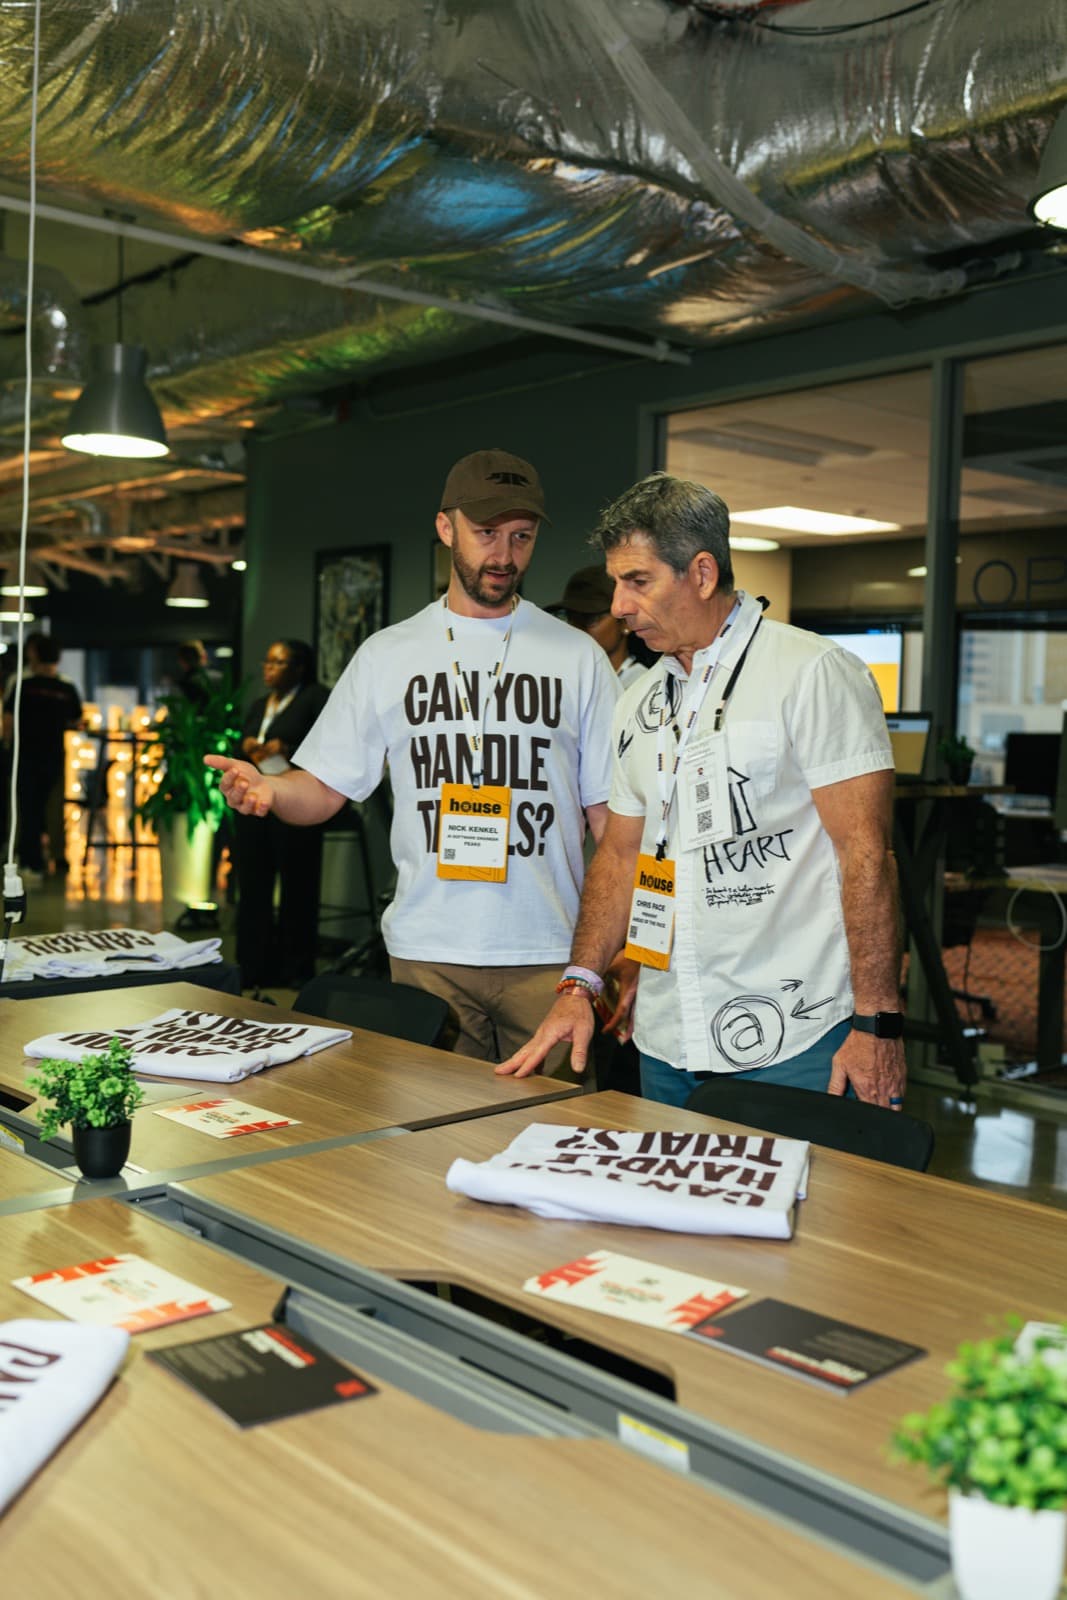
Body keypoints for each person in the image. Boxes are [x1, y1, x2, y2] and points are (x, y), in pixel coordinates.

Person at [497, 472, 906, 1110]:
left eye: (638, 581)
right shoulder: (639, 701)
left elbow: (866, 854)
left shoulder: (812, 673)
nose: (619, 606)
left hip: (800, 1037)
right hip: (668, 1033)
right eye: (616, 583)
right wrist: (581, 985)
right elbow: (622, 857)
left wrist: (877, 1023)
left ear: (704, 574)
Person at [207, 448, 620, 1062]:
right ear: (446, 528)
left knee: (555, 1120)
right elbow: (323, 788)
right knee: (432, 1120)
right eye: (486, 533)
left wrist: (614, 954)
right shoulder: (388, 654)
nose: (504, 556)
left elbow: (613, 826)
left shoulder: (577, 657)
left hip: (549, 954)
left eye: (522, 536)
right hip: (427, 953)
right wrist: (270, 790)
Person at [231, 639, 329, 989]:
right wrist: (248, 745)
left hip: (298, 800)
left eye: (278, 662)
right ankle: (253, 965)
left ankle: (295, 967)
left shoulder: (315, 698)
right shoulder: (261, 703)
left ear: (299, 667)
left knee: (297, 885)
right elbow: (242, 740)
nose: (268, 668)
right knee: (253, 883)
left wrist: (286, 747)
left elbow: (327, 745)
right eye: (267, 661)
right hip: (258, 799)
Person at [2, 633, 82, 881]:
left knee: (27, 809)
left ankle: (30, 861)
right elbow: (76, 720)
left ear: (34, 654)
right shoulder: (66, 688)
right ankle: (56, 857)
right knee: (52, 808)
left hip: (24, 756)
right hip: (53, 756)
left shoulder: (24, 685)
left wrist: (6, 745)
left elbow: (7, 722)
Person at [550, 564, 648, 689]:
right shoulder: (565, 683)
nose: (578, 629)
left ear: (626, 622)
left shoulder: (644, 686)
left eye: (590, 620)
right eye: (571, 619)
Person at [173, 640, 220, 708]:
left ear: (181, 661)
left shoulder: (179, 687)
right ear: (204, 657)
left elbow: (177, 708)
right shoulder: (218, 678)